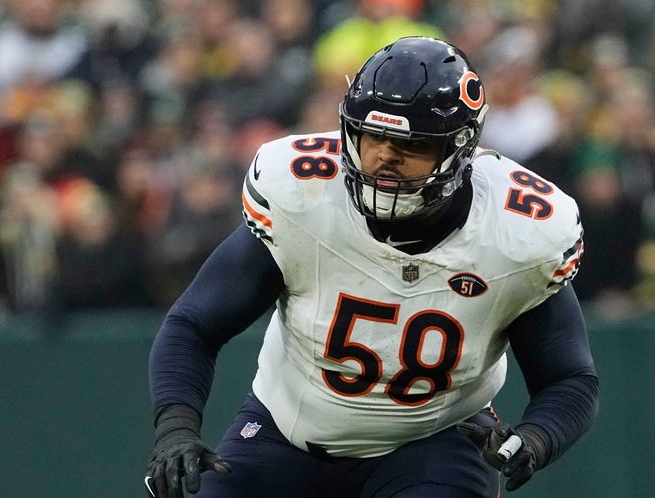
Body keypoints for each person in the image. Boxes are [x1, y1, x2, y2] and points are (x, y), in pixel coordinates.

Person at [144, 37, 599, 497]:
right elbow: (193, 324)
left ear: (460, 151)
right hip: (286, 433)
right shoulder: (302, 197)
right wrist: (176, 427)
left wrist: (538, 439)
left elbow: (570, 380)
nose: (385, 156)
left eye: (412, 144)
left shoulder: (519, 235)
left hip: (433, 445)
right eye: (374, 136)